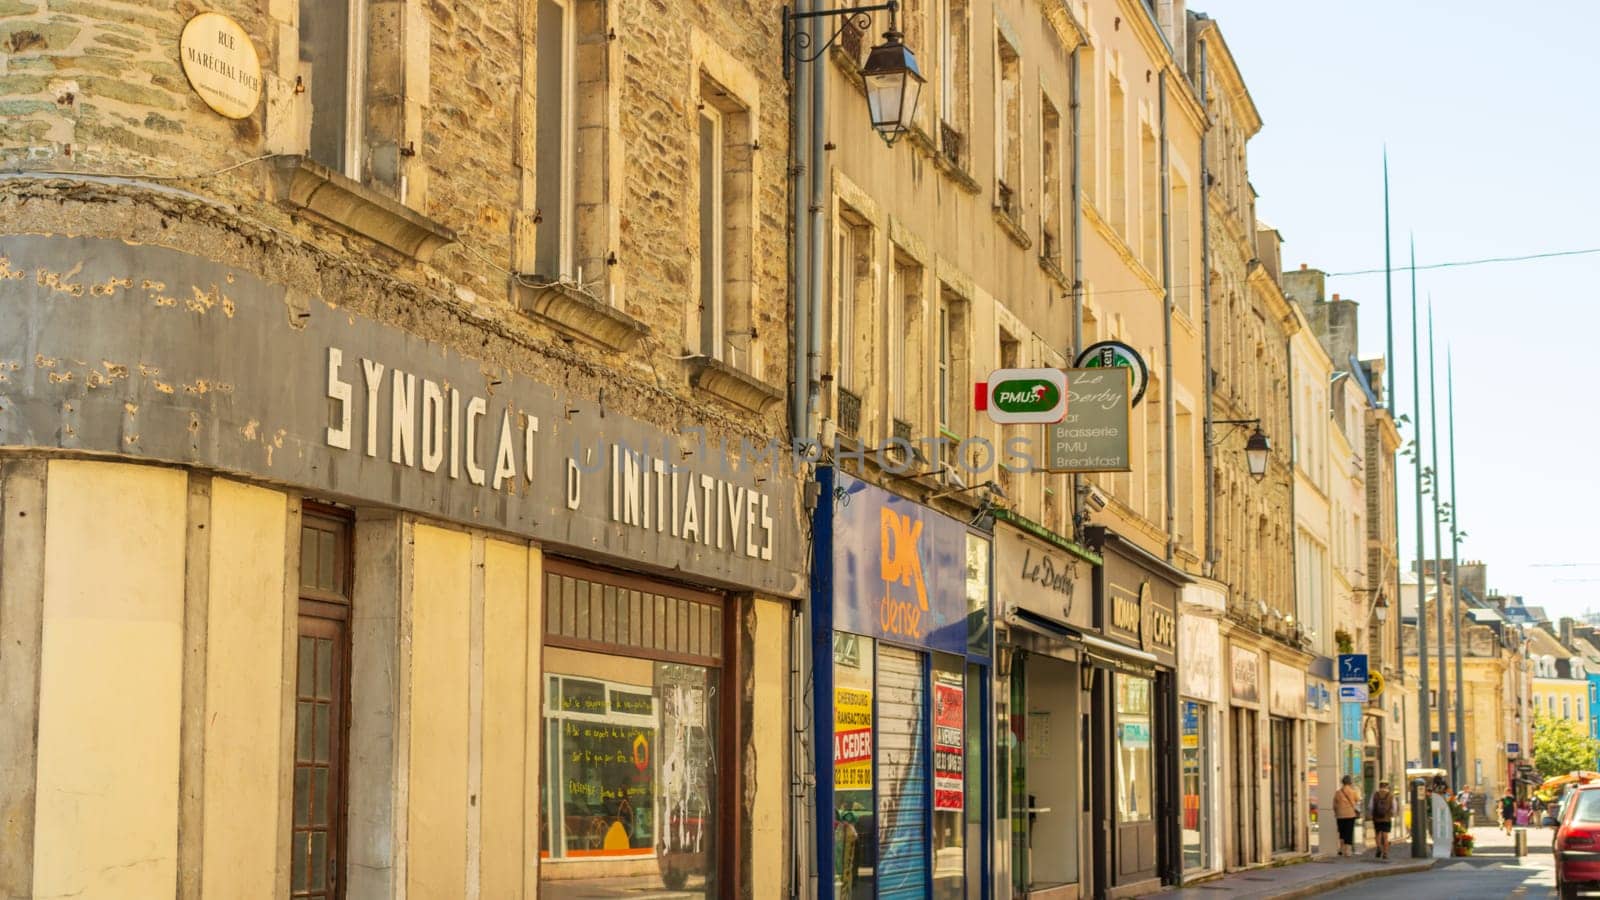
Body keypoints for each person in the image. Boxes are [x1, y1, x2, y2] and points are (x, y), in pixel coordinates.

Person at [1334, 774, 1362, 857]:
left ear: (1342, 782)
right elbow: (1358, 800)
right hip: (1350, 815)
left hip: (1340, 815)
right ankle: (1348, 851)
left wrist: (1336, 812)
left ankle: (1341, 849)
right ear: (1350, 782)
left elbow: (1334, 805)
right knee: (1349, 832)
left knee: (1342, 832)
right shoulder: (1353, 792)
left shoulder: (1338, 793)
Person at [1368, 781, 1396, 859]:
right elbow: (1394, 807)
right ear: (1387, 787)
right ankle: (1385, 853)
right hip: (1386, 818)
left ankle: (1379, 848)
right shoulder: (1390, 795)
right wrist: (1392, 814)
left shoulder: (1375, 794)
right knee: (1385, 836)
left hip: (1376, 818)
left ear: (1379, 786)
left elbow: (1370, 806)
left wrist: (1371, 814)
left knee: (1378, 834)